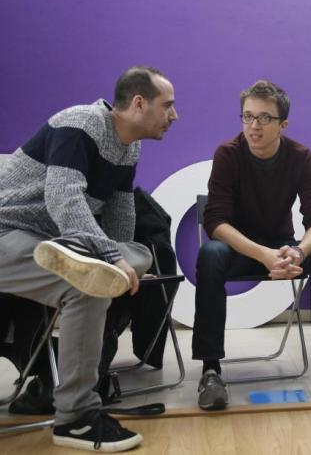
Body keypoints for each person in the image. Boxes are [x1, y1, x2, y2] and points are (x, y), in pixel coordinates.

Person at [0, 66, 178, 451]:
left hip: (52, 241)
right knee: (88, 283)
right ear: (139, 103)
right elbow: (64, 199)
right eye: (168, 105)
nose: (174, 115)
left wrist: (125, 263)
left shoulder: (129, 147)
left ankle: (82, 257)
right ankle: (76, 418)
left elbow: (120, 213)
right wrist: (112, 258)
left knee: (138, 255)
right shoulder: (79, 123)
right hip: (6, 232)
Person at [193, 80, 311, 410]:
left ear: (283, 124)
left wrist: (298, 251)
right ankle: (210, 371)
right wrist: (263, 255)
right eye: (248, 116)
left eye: (264, 118)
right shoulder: (228, 154)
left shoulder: (299, 156)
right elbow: (215, 222)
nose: (254, 126)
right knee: (210, 254)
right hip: (240, 251)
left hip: (284, 249)